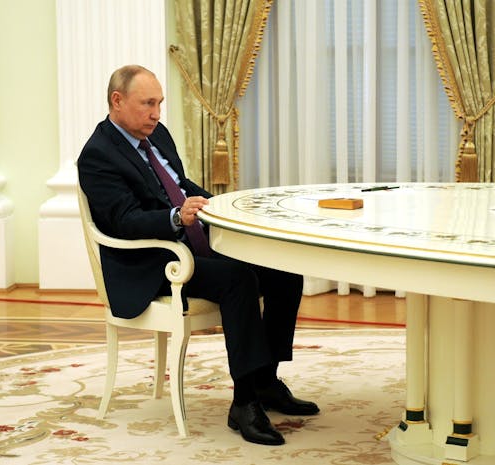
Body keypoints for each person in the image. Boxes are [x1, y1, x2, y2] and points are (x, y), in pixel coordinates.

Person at [77, 64, 318, 446]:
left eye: (159, 103)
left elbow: (180, 184)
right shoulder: (97, 155)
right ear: (117, 101)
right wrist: (176, 216)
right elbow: (124, 221)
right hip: (153, 264)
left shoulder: (156, 134)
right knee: (239, 281)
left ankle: (266, 380)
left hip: (190, 247)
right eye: (148, 104)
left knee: (284, 271)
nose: (157, 113)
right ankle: (245, 402)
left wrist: (221, 205)